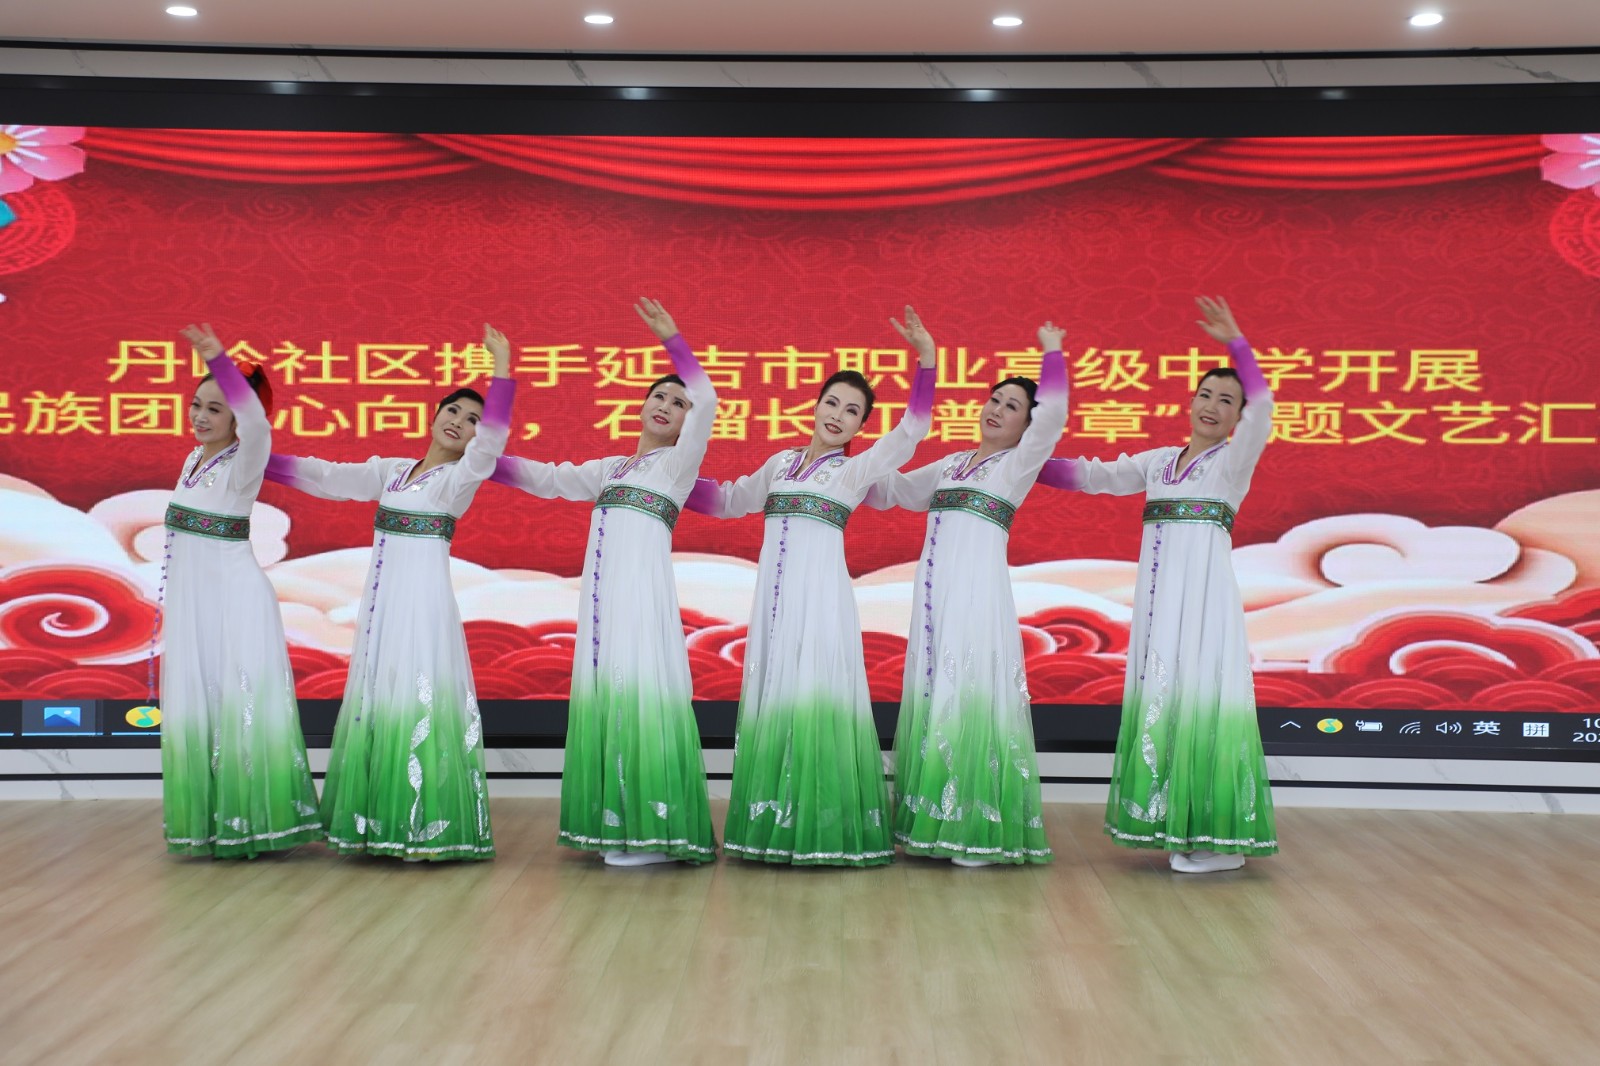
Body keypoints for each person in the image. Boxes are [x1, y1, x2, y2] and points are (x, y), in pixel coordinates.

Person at [686, 307, 936, 866]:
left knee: (818, 697)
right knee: (777, 698)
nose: (838, 416)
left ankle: (826, 829)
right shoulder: (781, 463)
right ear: (816, 405)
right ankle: (776, 825)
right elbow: (729, 500)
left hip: (821, 603)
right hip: (773, 606)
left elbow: (910, 434)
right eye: (833, 403)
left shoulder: (853, 472)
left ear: (860, 427)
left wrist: (926, 361)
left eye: (852, 412)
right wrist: (669, 479)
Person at [1037, 297, 1277, 873]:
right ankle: (1179, 824)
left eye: (1227, 401)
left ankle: (1222, 841)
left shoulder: (1231, 465)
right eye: (1206, 395)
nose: (1212, 406)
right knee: (1165, 703)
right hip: (1159, 608)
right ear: (1190, 402)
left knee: (1205, 703)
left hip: (1205, 607)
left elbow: (1264, 407)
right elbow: (1091, 475)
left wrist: (1237, 342)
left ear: (1238, 418)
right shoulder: (1159, 462)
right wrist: (1026, 460)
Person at [264, 325, 514, 861]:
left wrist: (502, 370)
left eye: (473, 419)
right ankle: (375, 824)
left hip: (422, 606)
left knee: (418, 698)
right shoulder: (394, 471)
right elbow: (328, 477)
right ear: (434, 415)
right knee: (379, 698)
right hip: (381, 606)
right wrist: (262, 460)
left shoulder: (460, 479)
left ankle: (426, 827)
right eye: (453, 410)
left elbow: (493, 442)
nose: (460, 421)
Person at [492, 298, 717, 866]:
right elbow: (545, 478)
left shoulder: (676, 468)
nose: (667, 406)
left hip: (641, 603)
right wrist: (481, 456)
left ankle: (656, 832)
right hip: (602, 609)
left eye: (679, 403)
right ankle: (617, 824)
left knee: (641, 699)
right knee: (608, 700)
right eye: (659, 397)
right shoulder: (610, 469)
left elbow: (709, 399)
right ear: (641, 405)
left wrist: (673, 339)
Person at [865, 321, 1068, 866]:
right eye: (994, 400)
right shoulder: (953, 464)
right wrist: (850, 467)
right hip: (935, 602)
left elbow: (1053, 418)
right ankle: (935, 821)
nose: (996, 410)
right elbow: (892, 491)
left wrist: (1052, 353)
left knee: (971, 693)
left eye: (1012, 407)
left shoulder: (1017, 466)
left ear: (1028, 426)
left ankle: (977, 826)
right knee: (937, 696)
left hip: (977, 600)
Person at [160, 323, 322, 858]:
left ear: (237, 418)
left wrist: (218, 359)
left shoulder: (245, 458)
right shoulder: (193, 461)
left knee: (241, 707)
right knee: (201, 708)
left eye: (216, 408)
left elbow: (256, 423)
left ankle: (256, 824)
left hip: (235, 603)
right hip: (196, 606)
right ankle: (213, 823)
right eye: (196, 405)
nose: (200, 416)